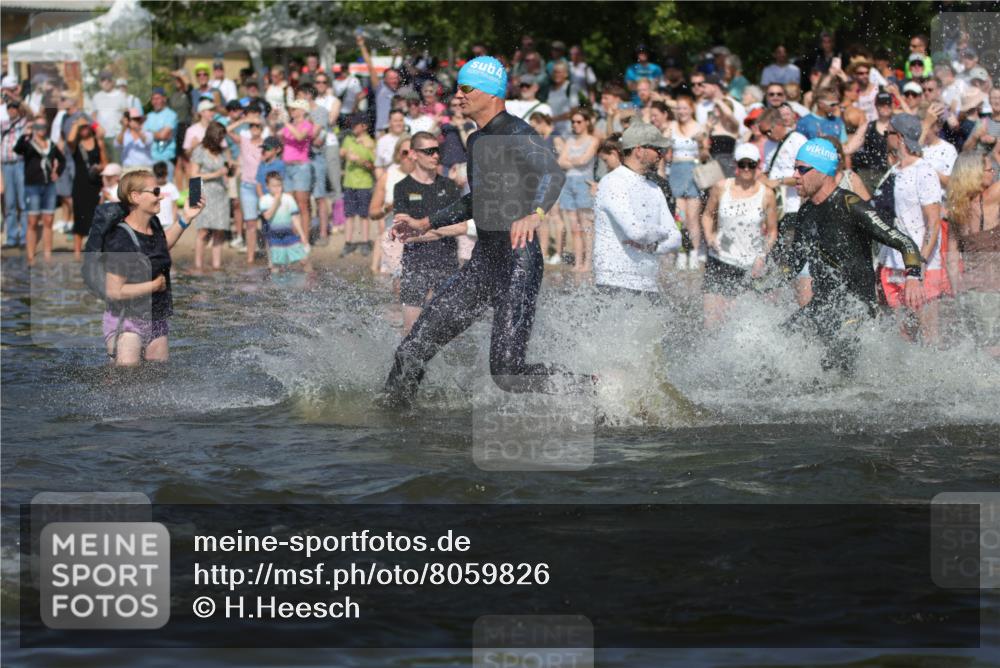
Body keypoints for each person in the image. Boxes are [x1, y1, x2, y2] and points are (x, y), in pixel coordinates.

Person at [385, 55, 587, 408]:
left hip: (518, 264)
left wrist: (535, 214)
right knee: (413, 348)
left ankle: (591, 389)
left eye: (465, 89)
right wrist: (426, 222)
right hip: (483, 263)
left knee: (507, 372)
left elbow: (552, 174)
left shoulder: (518, 132)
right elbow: (477, 200)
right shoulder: (477, 140)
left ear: (491, 93)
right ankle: (390, 421)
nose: (457, 97)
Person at [785, 138, 924, 373]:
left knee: (836, 368)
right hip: (823, 305)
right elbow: (793, 265)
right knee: (777, 342)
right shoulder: (806, 211)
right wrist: (757, 284)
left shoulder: (851, 205)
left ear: (822, 172)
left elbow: (904, 242)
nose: (795, 175)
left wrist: (913, 276)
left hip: (856, 308)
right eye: (794, 167)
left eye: (802, 169)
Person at [102, 169, 205, 365]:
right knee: (128, 382)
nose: (162, 196)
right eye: (156, 191)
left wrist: (185, 219)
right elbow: (113, 290)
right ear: (135, 197)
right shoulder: (120, 238)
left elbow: (161, 247)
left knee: (158, 378)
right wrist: (153, 286)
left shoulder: (154, 223)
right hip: (126, 322)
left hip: (156, 318)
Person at [878, 113, 946, 343]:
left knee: (929, 337)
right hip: (891, 265)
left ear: (899, 137)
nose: (884, 137)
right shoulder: (894, 170)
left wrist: (919, 268)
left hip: (920, 267)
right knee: (903, 339)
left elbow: (933, 223)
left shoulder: (923, 171)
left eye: (887, 133)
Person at [592, 121, 680, 297]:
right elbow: (636, 232)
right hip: (615, 281)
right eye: (657, 149)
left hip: (648, 283)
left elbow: (676, 238)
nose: (661, 155)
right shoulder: (613, 183)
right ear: (639, 150)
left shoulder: (655, 188)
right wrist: (662, 233)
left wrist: (654, 248)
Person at [392, 132, 467, 334]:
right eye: (429, 151)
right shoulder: (402, 187)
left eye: (437, 151)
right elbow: (403, 234)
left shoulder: (449, 186)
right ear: (414, 154)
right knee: (410, 332)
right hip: (415, 267)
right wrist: (441, 230)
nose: (436, 156)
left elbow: (462, 228)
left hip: (447, 267)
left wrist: (420, 227)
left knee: (449, 333)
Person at [700, 143, 779, 327]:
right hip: (719, 260)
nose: (746, 169)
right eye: (742, 164)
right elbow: (707, 216)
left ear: (757, 165)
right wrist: (709, 236)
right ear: (735, 164)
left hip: (747, 265)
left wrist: (762, 256)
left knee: (734, 325)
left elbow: (773, 231)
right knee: (711, 323)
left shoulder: (766, 194)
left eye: (750, 165)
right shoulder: (721, 187)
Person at [944, 152, 1000, 357]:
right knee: (994, 352)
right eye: (989, 170)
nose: (994, 173)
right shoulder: (993, 196)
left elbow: (951, 257)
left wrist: (958, 291)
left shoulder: (956, 208)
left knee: (981, 350)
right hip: (993, 291)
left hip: (970, 290)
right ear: (975, 174)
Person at [757, 107, 809, 303]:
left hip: (794, 209)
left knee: (791, 259)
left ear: (779, 125)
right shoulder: (770, 144)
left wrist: (777, 182)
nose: (765, 136)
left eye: (767, 131)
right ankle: (779, 303)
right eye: (762, 133)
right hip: (775, 211)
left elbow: (806, 176)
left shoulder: (798, 141)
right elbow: (768, 172)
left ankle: (799, 300)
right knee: (776, 260)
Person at [666, 94, 707, 270]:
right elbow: (664, 149)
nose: (682, 111)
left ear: (691, 109)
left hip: (693, 171)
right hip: (676, 170)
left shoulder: (699, 127)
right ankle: (682, 251)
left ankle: (695, 253)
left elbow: (705, 155)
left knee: (692, 218)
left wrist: (701, 144)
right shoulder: (672, 126)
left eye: (685, 108)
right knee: (679, 217)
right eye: (679, 108)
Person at [15, 117, 64, 265]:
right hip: (33, 186)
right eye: (38, 125)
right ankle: (31, 256)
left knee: (49, 220)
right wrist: (26, 133)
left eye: (43, 125)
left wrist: (57, 172)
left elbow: (62, 160)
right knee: (32, 221)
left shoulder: (51, 144)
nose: (41, 128)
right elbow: (17, 149)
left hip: (49, 185)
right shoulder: (28, 144)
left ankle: (48, 255)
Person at [557, 109, 599, 272]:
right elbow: (561, 161)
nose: (575, 125)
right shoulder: (570, 140)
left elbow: (585, 160)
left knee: (586, 225)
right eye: (573, 122)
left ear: (587, 122)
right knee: (574, 227)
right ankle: (578, 262)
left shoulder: (593, 140)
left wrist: (571, 160)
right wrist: (574, 161)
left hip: (584, 182)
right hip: (569, 183)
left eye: (579, 121)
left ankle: (588, 262)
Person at [369, 135, 413, 276]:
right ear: (398, 155)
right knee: (397, 288)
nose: (409, 156)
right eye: (405, 152)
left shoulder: (427, 176)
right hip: (394, 240)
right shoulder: (388, 177)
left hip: (422, 240)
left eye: (413, 152)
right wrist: (387, 208)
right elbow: (373, 213)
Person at [190, 121, 230, 270]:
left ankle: (216, 265)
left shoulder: (222, 151)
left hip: (221, 193)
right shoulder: (199, 150)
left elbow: (226, 170)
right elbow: (193, 175)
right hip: (204, 193)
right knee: (203, 230)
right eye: (220, 137)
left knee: (219, 230)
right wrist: (215, 174)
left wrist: (229, 170)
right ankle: (198, 265)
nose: (222, 140)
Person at [228, 112, 266, 264]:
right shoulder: (244, 141)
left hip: (263, 186)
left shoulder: (267, 143)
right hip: (247, 186)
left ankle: (269, 254)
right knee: (250, 223)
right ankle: (250, 257)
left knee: (266, 221)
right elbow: (227, 130)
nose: (254, 128)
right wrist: (244, 120)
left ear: (262, 128)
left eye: (257, 126)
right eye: (252, 126)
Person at [67, 116, 106, 258]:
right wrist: (77, 123)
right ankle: (77, 253)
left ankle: (95, 249)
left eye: (86, 127)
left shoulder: (98, 142)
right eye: (81, 128)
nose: (84, 130)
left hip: (95, 185)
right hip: (80, 186)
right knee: (79, 218)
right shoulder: (76, 144)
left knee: (96, 218)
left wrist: (92, 121)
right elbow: (69, 140)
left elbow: (105, 163)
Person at [258, 171, 312, 273]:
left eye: (279, 185)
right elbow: (267, 216)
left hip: (290, 236)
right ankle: (277, 286)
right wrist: (276, 201)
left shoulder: (288, 198)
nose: (277, 188)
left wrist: (303, 236)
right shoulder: (264, 200)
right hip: (274, 238)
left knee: (304, 260)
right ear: (267, 187)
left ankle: (311, 282)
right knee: (276, 266)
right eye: (273, 186)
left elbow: (295, 218)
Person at [340, 113, 376, 256]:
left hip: (364, 184)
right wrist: (343, 153)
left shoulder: (370, 143)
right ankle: (348, 243)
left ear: (364, 126)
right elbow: (341, 152)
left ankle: (365, 242)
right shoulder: (349, 139)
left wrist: (359, 160)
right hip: (349, 183)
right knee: (349, 215)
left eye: (355, 124)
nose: (352, 127)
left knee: (363, 215)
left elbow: (373, 165)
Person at [845, 91, 894, 192]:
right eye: (882, 104)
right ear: (876, 106)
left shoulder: (898, 127)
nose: (885, 106)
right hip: (868, 176)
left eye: (888, 104)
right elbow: (849, 149)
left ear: (892, 106)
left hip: (889, 174)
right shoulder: (868, 126)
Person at [2, 101, 29, 247]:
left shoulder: (24, 122)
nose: (12, 110)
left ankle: (24, 237)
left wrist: (14, 97)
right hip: (6, 165)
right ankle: (12, 238)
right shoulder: (3, 124)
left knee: (22, 202)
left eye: (15, 107)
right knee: (10, 203)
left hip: (20, 164)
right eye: (10, 107)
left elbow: (31, 112)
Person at [91, 70, 129, 161]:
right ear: (100, 82)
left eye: (108, 79)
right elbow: (92, 117)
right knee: (105, 168)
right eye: (103, 79)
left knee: (117, 167)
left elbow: (126, 116)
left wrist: (123, 133)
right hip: (101, 138)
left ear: (113, 81)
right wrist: (97, 128)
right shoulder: (96, 97)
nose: (106, 82)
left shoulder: (121, 95)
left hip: (116, 137)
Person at [144, 87, 178, 182]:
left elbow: (163, 135)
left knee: (166, 190)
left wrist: (150, 132)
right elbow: (143, 136)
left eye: (158, 98)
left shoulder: (171, 115)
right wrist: (159, 133)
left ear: (164, 98)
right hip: (149, 159)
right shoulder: (149, 116)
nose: (155, 101)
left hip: (165, 159)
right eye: (153, 99)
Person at [151, 161, 180, 231]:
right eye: (158, 175)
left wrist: (174, 220)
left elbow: (175, 206)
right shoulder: (151, 188)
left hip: (169, 222)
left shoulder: (172, 188)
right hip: (154, 222)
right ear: (154, 174)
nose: (160, 178)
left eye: (162, 175)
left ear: (166, 174)